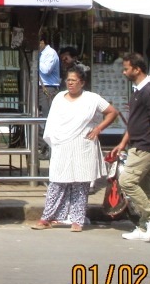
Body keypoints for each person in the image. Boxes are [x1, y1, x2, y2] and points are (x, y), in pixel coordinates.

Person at [32, 67, 118, 232]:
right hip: (62, 144)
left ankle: (77, 220)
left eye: (74, 80)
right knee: (57, 182)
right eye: (68, 80)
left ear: (82, 82)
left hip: (82, 144)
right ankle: (47, 217)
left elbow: (112, 112)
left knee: (80, 182)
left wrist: (98, 128)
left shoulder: (92, 98)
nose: (70, 83)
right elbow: (53, 121)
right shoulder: (58, 97)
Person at [108, 52, 150, 242]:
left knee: (126, 182)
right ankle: (143, 228)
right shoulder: (138, 91)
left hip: (146, 146)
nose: (124, 72)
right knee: (146, 188)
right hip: (136, 143)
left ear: (137, 69)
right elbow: (134, 122)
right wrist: (123, 143)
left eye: (126, 69)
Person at [38, 34, 60, 116]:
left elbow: (46, 70)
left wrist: (37, 60)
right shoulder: (41, 53)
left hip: (48, 87)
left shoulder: (50, 53)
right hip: (40, 87)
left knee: (46, 113)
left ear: (42, 42)